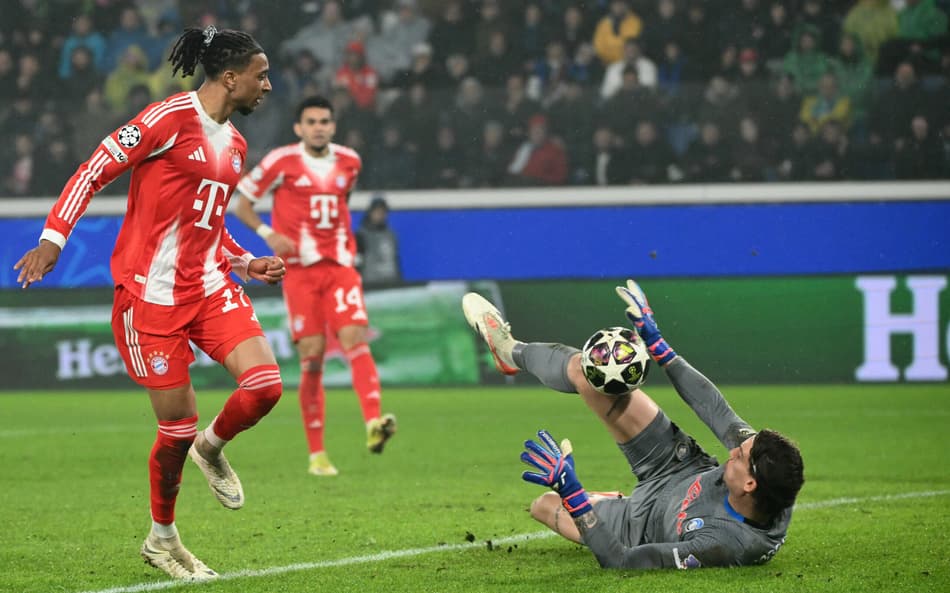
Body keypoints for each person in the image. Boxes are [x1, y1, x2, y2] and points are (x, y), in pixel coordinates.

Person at [13, 26, 285, 581]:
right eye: (261, 76)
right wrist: (52, 240)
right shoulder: (165, 119)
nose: (268, 86)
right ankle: (163, 540)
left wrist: (245, 261)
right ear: (229, 78)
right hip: (150, 298)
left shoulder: (235, 145)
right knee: (175, 429)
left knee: (265, 387)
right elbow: (93, 171)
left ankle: (212, 449)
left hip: (209, 286)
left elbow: (206, 223)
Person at [460, 281, 805, 569]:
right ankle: (509, 351)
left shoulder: (723, 544)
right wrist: (659, 347)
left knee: (544, 505)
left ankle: (606, 500)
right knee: (589, 370)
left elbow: (622, 562)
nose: (733, 448)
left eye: (740, 455)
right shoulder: (772, 474)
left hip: (638, 526)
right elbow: (713, 408)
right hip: (676, 464)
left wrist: (573, 493)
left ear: (748, 484)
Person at [234, 95, 397, 478]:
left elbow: (342, 201)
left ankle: (373, 422)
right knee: (313, 356)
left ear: (333, 125)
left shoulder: (349, 162)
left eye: (325, 120)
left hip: (340, 266)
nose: (318, 127)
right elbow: (242, 204)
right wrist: (268, 233)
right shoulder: (281, 161)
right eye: (311, 121)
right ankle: (317, 454)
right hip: (300, 272)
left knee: (355, 337)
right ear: (299, 128)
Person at [356, 195, 402, 287]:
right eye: (377, 212)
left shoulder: (390, 236)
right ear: (370, 213)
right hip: (371, 285)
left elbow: (395, 260)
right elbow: (357, 263)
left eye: (383, 212)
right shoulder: (361, 236)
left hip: (391, 283)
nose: (380, 215)